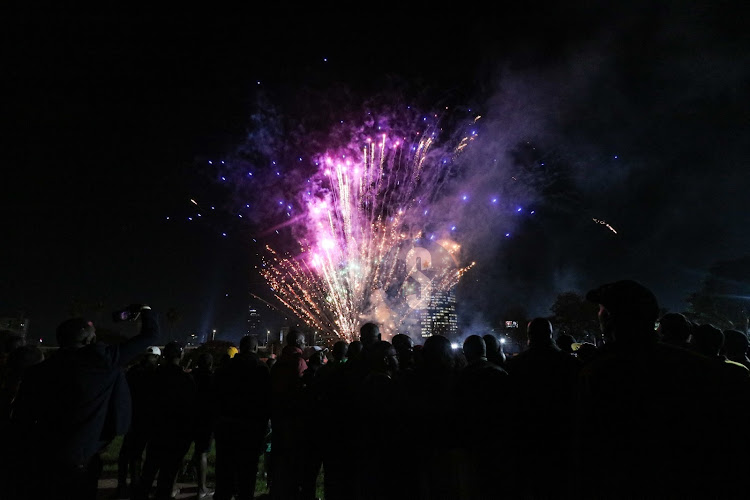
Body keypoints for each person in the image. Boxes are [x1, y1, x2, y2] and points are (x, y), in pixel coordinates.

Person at [576, 280, 738, 499]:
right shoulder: (701, 368)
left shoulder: (600, 374)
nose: (599, 315)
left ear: (610, 319)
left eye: (602, 310)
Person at [11, 304, 159, 500]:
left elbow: (21, 419)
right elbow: (150, 335)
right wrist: (145, 310)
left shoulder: (37, 372)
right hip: (81, 459)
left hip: (42, 455)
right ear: (89, 339)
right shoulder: (101, 361)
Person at [505, 318, 582, 498]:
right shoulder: (569, 363)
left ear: (529, 336)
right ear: (550, 334)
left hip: (528, 440)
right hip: (562, 438)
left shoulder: (516, 365)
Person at [136, 341, 197, 500]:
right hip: (176, 434)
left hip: (156, 431)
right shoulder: (186, 379)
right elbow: (190, 408)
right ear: (181, 356)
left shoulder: (154, 376)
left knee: (148, 472)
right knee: (167, 477)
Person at [213, 334, 271, 500]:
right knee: (247, 473)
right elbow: (266, 400)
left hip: (226, 426)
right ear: (255, 348)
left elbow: (215, 396)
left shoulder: (225, 368)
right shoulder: (261, 369)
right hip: (250, 428)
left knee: (224, 470)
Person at [114, 345, 161, 498]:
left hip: (131, 417)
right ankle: (135, 484)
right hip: (145, 418)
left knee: (126, 453)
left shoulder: (133, 372)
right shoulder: (154, 374)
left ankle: (122, 485)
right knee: (137, 454)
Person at [269, 329, 308, 500]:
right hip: (293, 416)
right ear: (299, 343)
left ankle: (275, 488)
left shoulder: (279, 362)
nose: (306, 344)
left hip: (277, 414)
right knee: (292, 456)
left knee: (278, 453)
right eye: (304, 342)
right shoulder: (299, 362)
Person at [188, 351, 216, 499]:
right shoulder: (212, 379)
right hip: (205, 419)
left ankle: (170, 487)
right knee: (202, 453)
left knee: (180, 452)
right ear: (210, 364)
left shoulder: (190, 376)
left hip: (188, 418)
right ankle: (201, 489)